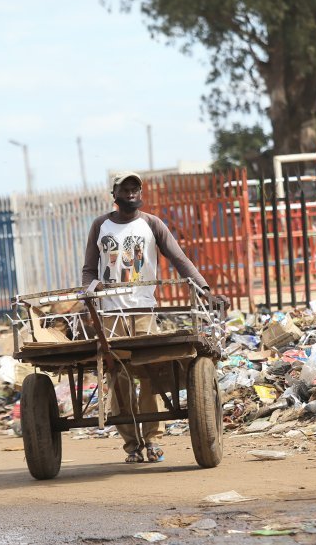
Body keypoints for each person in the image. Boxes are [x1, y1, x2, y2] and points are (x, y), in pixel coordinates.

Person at [81, 171, 228, 463]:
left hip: (143, 311)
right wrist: (91, 291)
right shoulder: (100, 225)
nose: (132, 192)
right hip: (110, 314)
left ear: (140, 193)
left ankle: (152, 440)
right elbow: (89, 268)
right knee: (118, 377)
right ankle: (131, 446)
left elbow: (180, 259)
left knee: (148, 375)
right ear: (115, 194)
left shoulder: (152, 223)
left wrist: (207, 291)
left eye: (136, 188)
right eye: (126, 188)